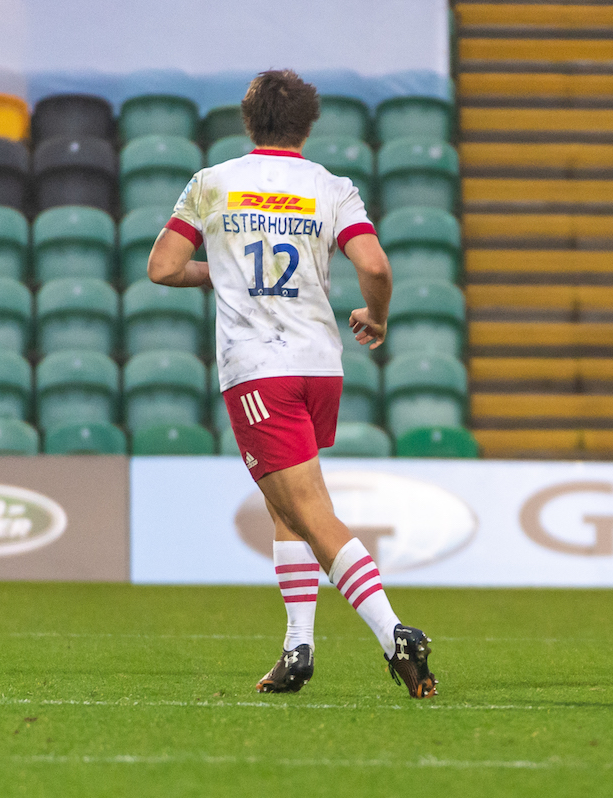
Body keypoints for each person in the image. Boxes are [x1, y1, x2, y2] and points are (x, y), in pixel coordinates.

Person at [147, 69, 436, 698]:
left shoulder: (212, 183)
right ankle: (297, 647)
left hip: (258, 370)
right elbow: (375, 267)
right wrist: (378, 317)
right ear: (308, 125)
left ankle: (395, 634)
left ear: (248, 120)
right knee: (286, 505)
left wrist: (219, 272)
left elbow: (162, 268)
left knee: (308, 511)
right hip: (319, 366)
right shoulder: (332, 188)